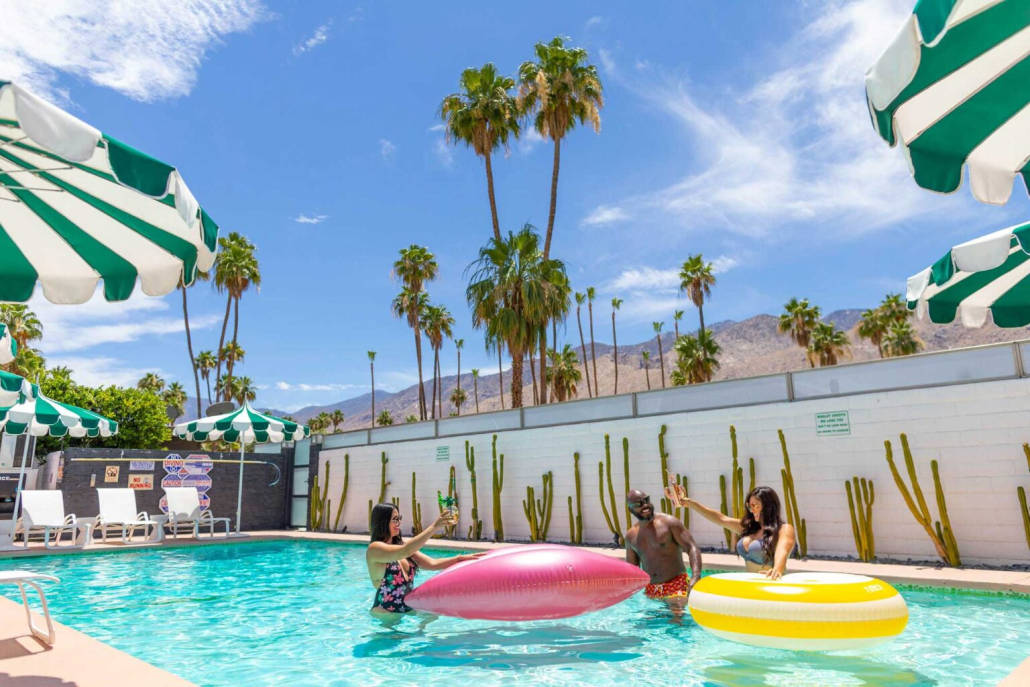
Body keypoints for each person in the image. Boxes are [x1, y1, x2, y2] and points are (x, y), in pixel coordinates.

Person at [366, 502, 483, 617]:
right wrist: (434, 527)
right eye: (395, 519)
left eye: (399, 518)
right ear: (383, 522)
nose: (399, 523)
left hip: (406, 610)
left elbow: (433, 563)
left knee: (434, 614)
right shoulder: (375, 549)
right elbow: (405, 551)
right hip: (385, 614)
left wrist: (461, 559)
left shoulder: (402, 547)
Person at [668, 483, 795, 580]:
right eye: (750, 506)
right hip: (750, 585)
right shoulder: (749, 527)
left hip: (772, 583)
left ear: (768, 506)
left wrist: (777, 568)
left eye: (755, 506)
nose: (752, 510)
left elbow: (782, 550)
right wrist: (689, 503)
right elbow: (721, 519)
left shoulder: (784, 529)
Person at [624, 488, 703, 608]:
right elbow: (633, 570)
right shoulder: (631, 536)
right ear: (631, 509)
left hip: (677, 584)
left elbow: (691, 547)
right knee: (653, 623)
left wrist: (696, 576)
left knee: (677, 611)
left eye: (646, 500)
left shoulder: (669, 523)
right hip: (651, 590)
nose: (645, 505)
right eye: (639, 504)